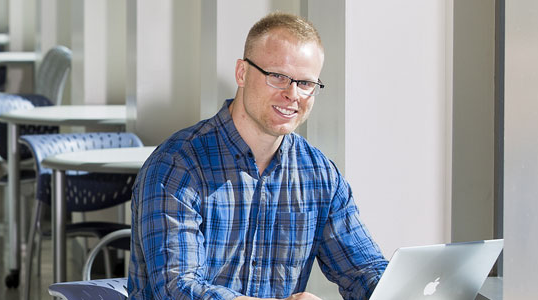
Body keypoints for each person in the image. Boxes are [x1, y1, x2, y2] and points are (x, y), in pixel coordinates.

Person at [129, 12, 388, 300]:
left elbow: (362, 270)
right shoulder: (177, 166)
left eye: (306, 83)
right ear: (241, 73)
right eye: (277, 76)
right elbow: (178, 289)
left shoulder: (319, 173)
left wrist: (404, 290)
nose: (293, 94)